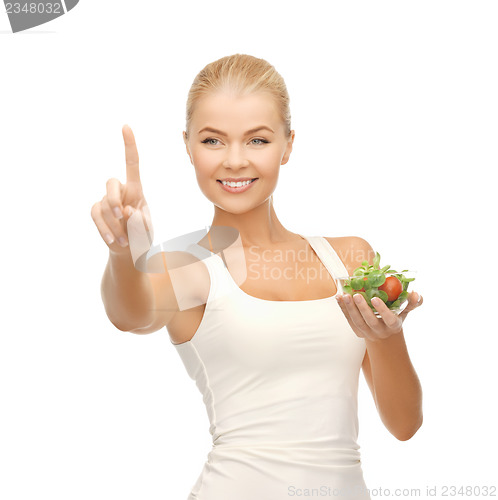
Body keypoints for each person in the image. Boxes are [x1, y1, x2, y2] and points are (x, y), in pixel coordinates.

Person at [91, 53, 424, 500]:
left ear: (288, 145)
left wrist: (386, 337)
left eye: (257, 140)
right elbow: (130, 314)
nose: (233, 161)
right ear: (188, 146)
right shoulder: (187, 265)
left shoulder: (348, 257)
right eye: (212, 141)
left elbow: (405, 425)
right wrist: (123, 253)